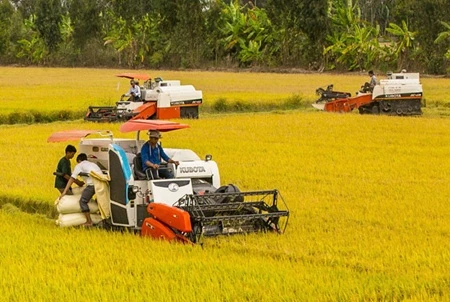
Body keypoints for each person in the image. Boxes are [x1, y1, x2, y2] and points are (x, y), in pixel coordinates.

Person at [59, 153, 102, 227]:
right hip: (101, 184)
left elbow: (72, 178)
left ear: (79, 160)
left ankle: (89, 222)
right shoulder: (93, 164)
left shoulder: (79, 165)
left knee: (83, 201)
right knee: (99, 201)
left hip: (92, 185)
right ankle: (101, 217)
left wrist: (65, 191)